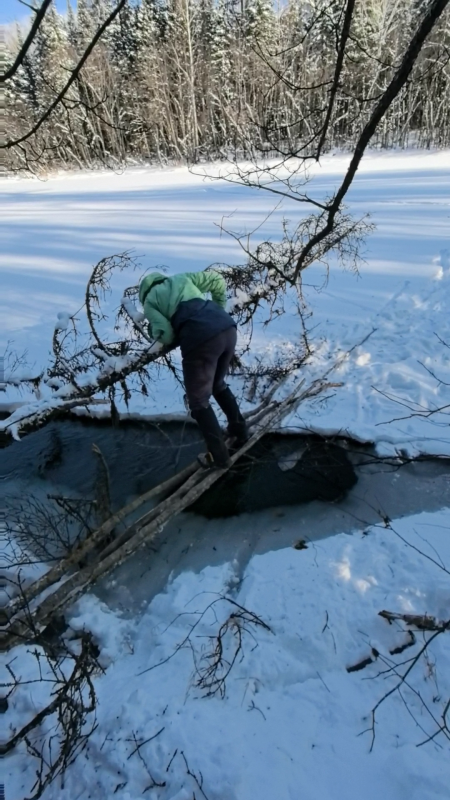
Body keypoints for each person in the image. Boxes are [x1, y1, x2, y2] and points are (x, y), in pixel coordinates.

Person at [139, 269, 248, 468]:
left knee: (198, 401)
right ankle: (239, 430)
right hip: (226, 327)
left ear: (143, 293)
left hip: (200, 339)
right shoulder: (181, 278)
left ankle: (220, 458)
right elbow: (217, 279)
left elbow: (165, 335)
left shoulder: (149, 302)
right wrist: (217, 309)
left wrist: (155, 329)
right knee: (218, 384)